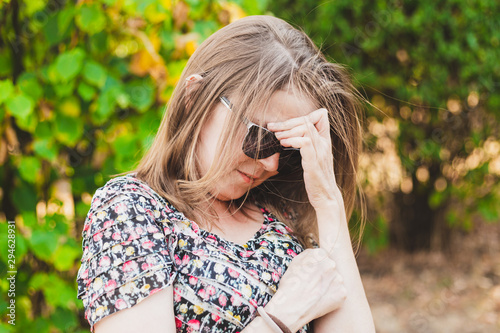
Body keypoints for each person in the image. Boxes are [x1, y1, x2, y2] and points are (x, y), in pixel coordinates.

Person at [76, 15, 375, 333]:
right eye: (261, 138)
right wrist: (281, 317)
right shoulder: (132, 209)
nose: (272, 164)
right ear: (195, 99)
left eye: (289, 148)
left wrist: (329, 202)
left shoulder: (282, 217)